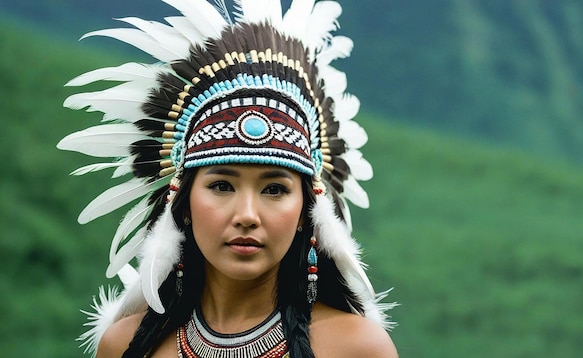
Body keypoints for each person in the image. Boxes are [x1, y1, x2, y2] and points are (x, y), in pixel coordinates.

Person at [59, 0, 397, 357]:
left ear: (306, 212)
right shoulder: (123, 346)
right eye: (221, 185)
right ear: (183, 201)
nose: (247, 215)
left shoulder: (357, 348)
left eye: (274, 189)